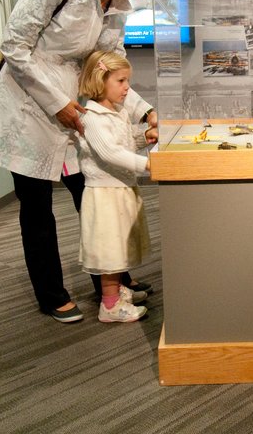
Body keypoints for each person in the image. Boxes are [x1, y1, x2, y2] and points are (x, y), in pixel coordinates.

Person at [0, 0, 162, 323]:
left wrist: (144, 109)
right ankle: (50, 292)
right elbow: (13, 45)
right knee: (37, 205)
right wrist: (57, 102)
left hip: (75, 114)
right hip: (28, 108)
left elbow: (108, 71)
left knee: (94, 195)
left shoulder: (117, 10)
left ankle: (112, 284)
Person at [77, 51, 151, 323]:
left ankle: (117, 294)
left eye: (127, 81)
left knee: (120, 245)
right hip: (104, 194)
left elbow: (124, 143)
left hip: (120, 189)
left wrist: (145, 136)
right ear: (100, 80)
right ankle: (109, 305)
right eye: (121, 81)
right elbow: (109, 152)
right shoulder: (92, 117)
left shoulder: (116, 113)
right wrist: (146, 165)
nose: (126, 87)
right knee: (109, 249)